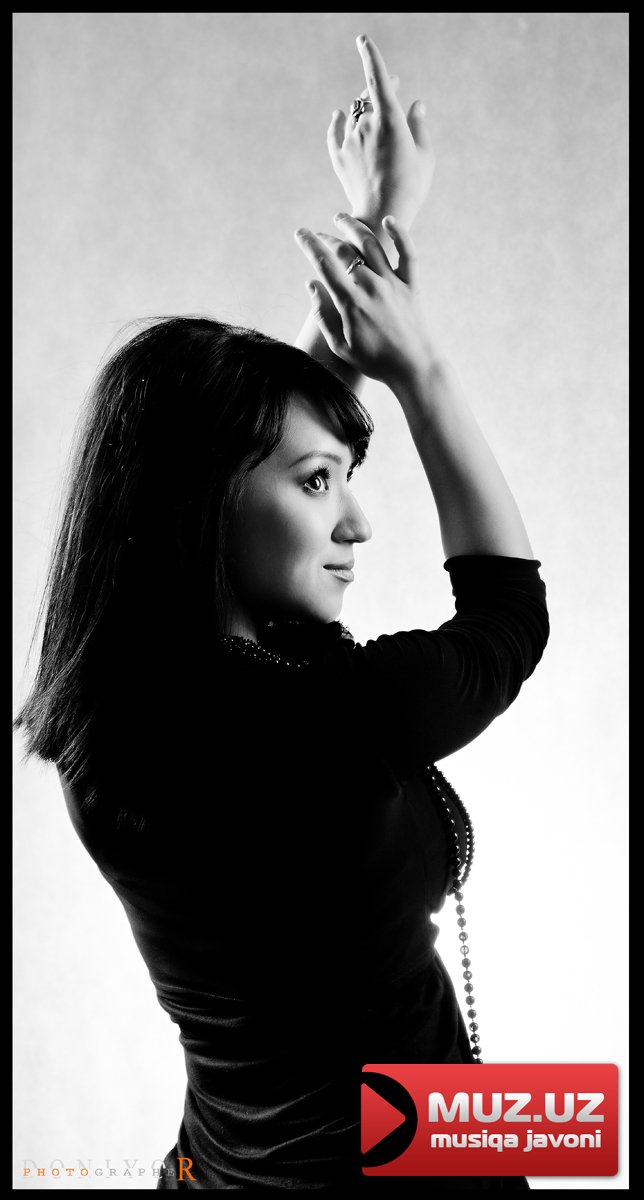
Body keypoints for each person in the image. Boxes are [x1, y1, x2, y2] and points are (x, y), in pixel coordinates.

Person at [15, 34, 548, 1191]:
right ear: (200, 504)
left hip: (228, 1164)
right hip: (410, 1160)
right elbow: (509, 616)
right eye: (321, 487)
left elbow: (254, 445)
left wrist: (373, 229)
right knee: (569, 1123)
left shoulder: (107, 705)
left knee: (558, 1122)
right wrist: (423, 370)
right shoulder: (326, 720)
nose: (356, 523)